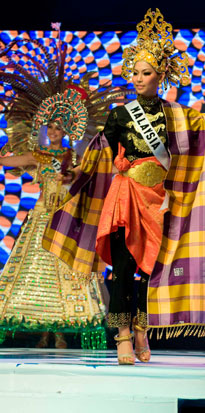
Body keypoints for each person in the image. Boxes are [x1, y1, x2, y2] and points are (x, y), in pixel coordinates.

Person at [43, 9, 205, 363]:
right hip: (123, 197)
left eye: (145, 73)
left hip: (159, 201)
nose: (137, 79)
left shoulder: (181, 117)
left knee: (150, 272)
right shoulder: (120, 115)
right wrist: (75, 175)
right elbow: (100, 155)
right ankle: (120, 336)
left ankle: (142, 332)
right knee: (121, 269)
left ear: (160, 76)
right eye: (134, 72)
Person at [0, 34, 128, 349]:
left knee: (70, 276)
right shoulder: (37, 156)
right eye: (51, 127)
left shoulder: (76, 158)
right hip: (43, 217)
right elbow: (5, 160)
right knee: (35, 275)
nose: (55, 132)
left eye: (60, 128)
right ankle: (44, 331)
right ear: (44, 128)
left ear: (67, 129)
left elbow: (94, 175)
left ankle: (62, 332)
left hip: (69, 219)